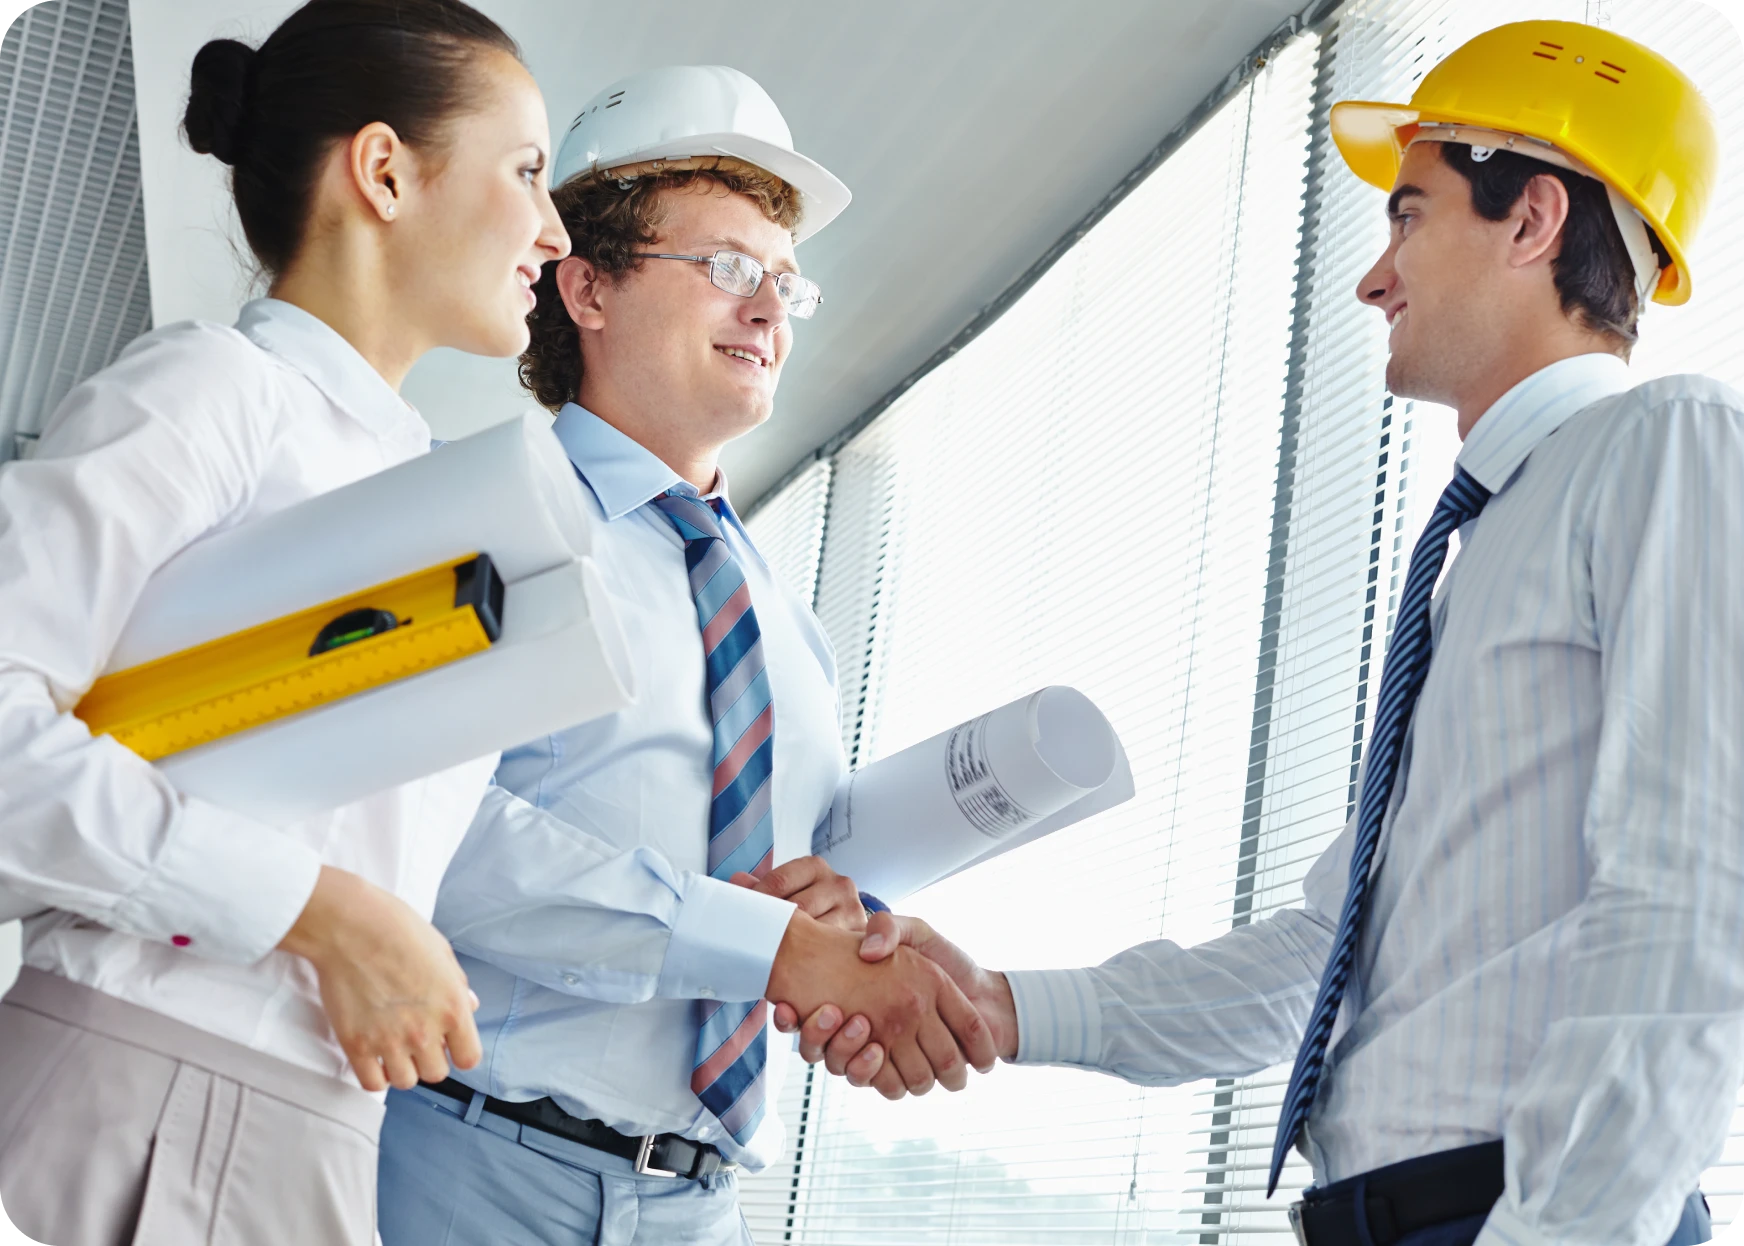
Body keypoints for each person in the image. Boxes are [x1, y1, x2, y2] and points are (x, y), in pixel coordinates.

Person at [776, 20, 1738, 1246]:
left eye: (1408, 217)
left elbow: (1699, 900)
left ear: (1532, 221)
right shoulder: (1489, 549)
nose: (1374, 278)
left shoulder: (1666, 446)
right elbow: (1317, 962)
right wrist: (998, 1003)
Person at [374, 64, 994, 1246]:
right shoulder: (474, 517)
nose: (768, 313)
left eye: (784, 283)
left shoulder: (787, 624)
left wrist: (846, 926)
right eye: (725, 268)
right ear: (587, 287)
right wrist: (769, 946)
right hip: (469, 1164)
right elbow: (417, 830)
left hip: (702, 1204)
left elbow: (775, 886)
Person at [0, 2, 573, 1240]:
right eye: (528, 171)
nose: (554, 227)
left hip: (324, 1134)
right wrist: (321, 912)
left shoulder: (442, 503)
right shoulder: (214, 393)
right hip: (132, 1092)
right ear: (384, 172)